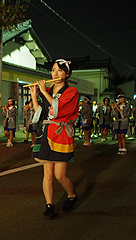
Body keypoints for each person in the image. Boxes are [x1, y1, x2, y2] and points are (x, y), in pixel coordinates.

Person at [29, 59, 78, 220]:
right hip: (46, 132)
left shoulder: (71, 92)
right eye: (53, 70)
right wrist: (34, 96)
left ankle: (71, 195)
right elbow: (41, 113)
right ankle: (49, 205)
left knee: (60, 175)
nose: (55, 74)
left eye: (59, 71)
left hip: (61, 134)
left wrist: (44, 92)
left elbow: (58, 110)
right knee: (48, 174)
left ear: (67, 74)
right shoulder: (48, 89)